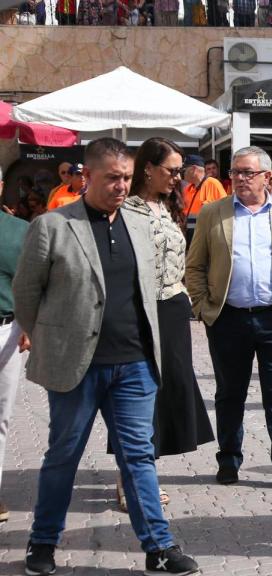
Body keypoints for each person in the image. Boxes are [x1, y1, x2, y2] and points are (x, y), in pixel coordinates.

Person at [14, 137, 200, 576]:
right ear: (88, 176)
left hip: (135, 364)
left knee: (138, 456)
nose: (120, 187)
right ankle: (42, 544)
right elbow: (26, 294)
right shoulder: (54, 225)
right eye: (112, 178)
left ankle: (158, 546)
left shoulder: (137, 223)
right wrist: (49, 337)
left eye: (126, 178)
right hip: (77, 366)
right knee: (64, 454)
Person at [185, 146, 272, 493]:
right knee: (230, 393)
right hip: (228, 319)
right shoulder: (214, 213)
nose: (240, 179)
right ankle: (228, 459)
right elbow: (194, 265)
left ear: (268, 177)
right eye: (236, 172)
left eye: (248, 172)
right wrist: (202, 307)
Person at [118, 138, 214, 510]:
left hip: (173, 309)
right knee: (138, 394)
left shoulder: (168, 206)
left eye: (179, 170)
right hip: (140, 310)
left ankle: (143, 472)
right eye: (171, 170)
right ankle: (131, 479)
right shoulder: (127, 208)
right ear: (147, 169)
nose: (178, 177)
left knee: (167, 391)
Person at [0, 167, 29, 525]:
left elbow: (33, 283)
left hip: (8, 330)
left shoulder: (19, 231)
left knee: (1, 416)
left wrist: (31, 326)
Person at [182, 154, 228, 244]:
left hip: (206, 240)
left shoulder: (212, 183)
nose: (182, 174)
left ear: (193, 169)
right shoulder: (188, 188)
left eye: (184, 170)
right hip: (191, 239)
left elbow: (225, 212)